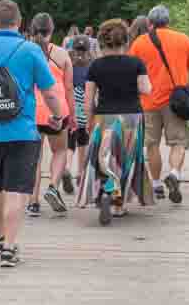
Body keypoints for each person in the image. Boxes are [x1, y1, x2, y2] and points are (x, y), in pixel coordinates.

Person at [0, 0, 66, 267]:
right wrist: (56, 116)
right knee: (17, 190)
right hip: (23, 130)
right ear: (19, 22)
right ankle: (9, 247)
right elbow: (50, 91)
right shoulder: (30, 50)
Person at [77, 19, 154, 225]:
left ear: (102, 41)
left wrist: (87, 123)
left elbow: (88, 99)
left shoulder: (95, 66)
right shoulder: (136, 63)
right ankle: (119, 205)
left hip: (104, 118)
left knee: (104, 158)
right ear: (126, 40)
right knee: (125, 160)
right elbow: (146, 89)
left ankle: (105, 192)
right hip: (131, 118)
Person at [129, 4, 189, 204]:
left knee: (151, 143)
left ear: (149, 23)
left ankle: (156, 184)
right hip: (176, 102)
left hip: (148, 100)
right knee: (178, 141)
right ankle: (175, 173)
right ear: (168, 22)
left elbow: (131, 72)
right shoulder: (183, 39)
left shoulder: (139, 43)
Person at [27, 13, 74, 217]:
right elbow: (69, 87)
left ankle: (33, 202)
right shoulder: (62, 54)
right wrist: (71, 114)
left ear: (31, 30)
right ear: (52, 30)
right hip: (56, 111)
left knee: (34, 157)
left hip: (31, 112)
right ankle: (53, 187)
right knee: (60, 151)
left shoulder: (24, 53)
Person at [65, 36, 94, 193]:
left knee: (69, 144)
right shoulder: (91, 66)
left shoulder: (69, 65)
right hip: (85, 107)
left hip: (71, 109)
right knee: (83, 142)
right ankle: (81, 174)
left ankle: (67, 168)